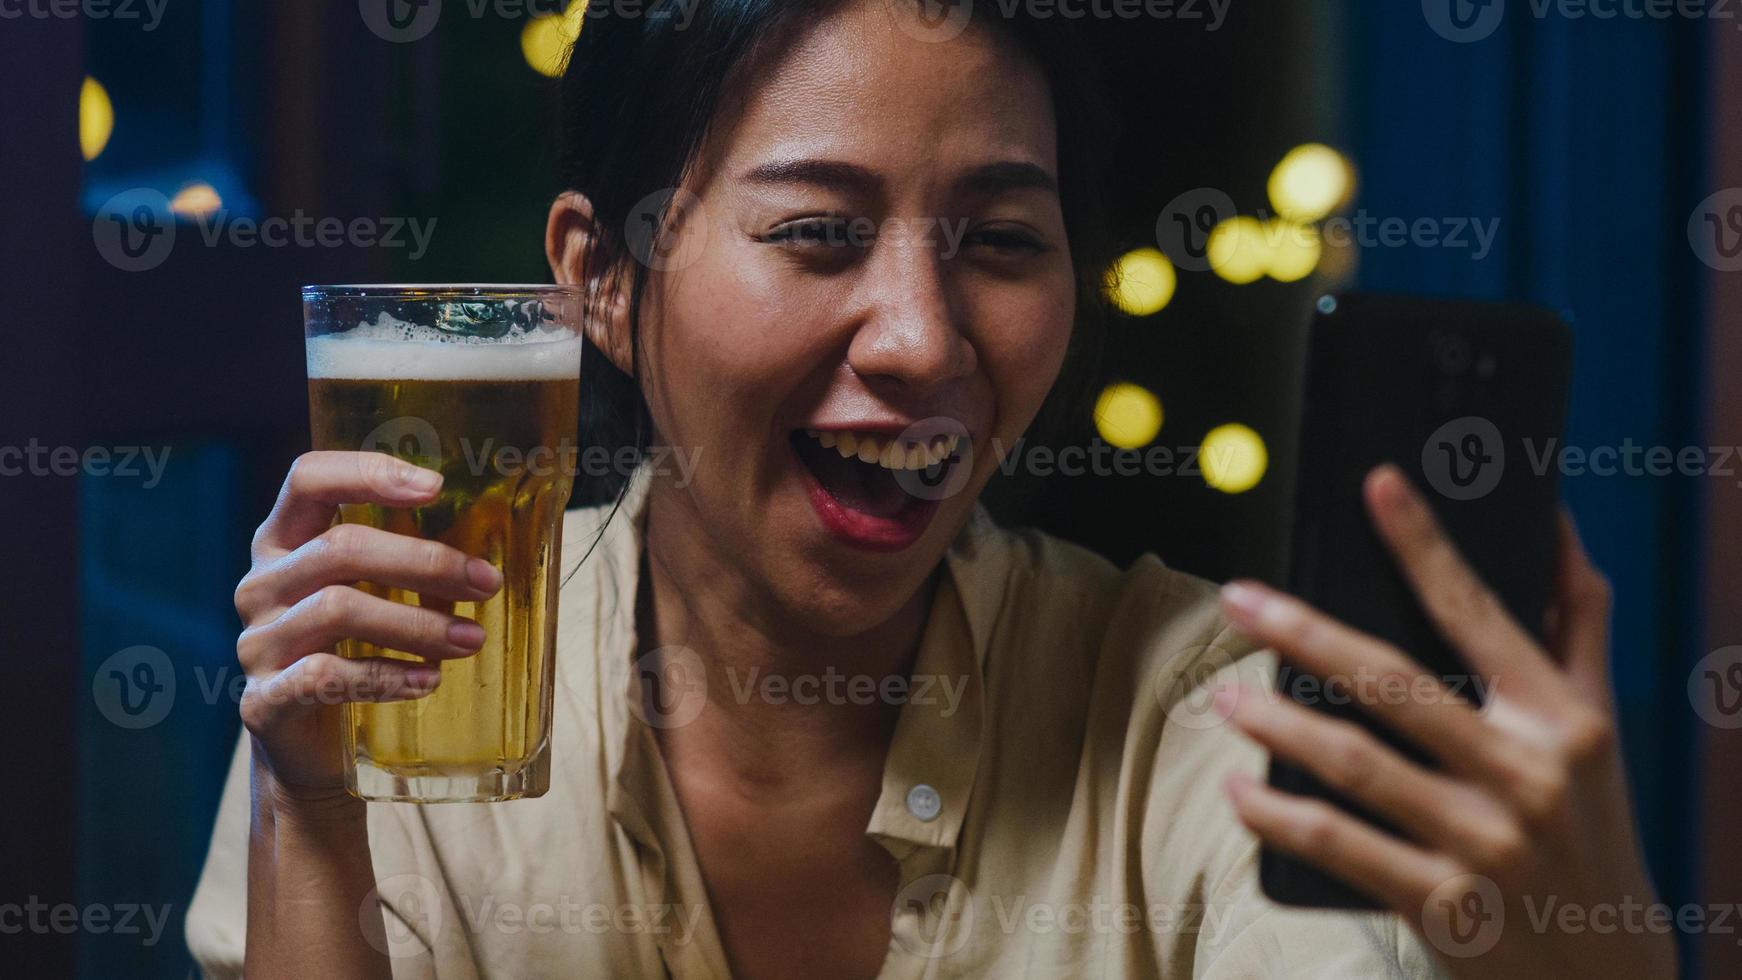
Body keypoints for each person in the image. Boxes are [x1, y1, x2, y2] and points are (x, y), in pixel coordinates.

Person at [186, 1, 1676, 977]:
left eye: (1002, 242)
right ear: (601, 279)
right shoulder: (409, 691)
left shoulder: (1214, 710)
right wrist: (311, 811)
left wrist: (1585, 947)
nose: (920, 338)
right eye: (820, 233)